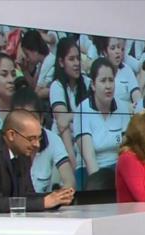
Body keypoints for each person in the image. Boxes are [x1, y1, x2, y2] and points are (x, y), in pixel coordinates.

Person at [74, 57, 131, 190]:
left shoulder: (122, 108)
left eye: (111, 80)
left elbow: (127, 150)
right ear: (93, 85)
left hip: (117, 168)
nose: (108, 86)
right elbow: (90, 160)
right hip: (90, 172)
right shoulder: (83, 110)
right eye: (103, 81)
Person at [11, 87, 76, 192]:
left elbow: (69, 181)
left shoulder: (53, 140)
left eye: (31, 118)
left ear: (41, 119)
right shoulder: (5, 142)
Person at [49, 36, 91, 172]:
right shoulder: (56, 86)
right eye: (71, 59)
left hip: (83, 143)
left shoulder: (87, 82)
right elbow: (62, 122)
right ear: (61, 62)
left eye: (78, 58)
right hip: (62, 147)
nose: (77, 63)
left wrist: (71, 116)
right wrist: (71, 158)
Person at [93, 36, 141, 112]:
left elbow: (136, 93)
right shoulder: (100, 70)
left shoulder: (127, 69)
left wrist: (138, 105)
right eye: (113, 48)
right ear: (105, 52)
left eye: (119, 47)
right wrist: (125, 108)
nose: (117, 51)